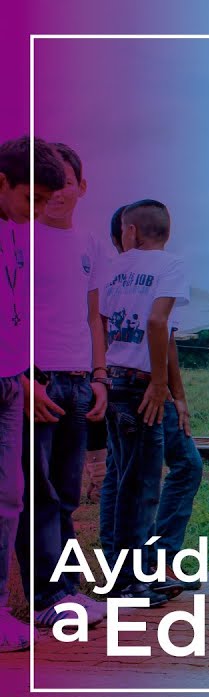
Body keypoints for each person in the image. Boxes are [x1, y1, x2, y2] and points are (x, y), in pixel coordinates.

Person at [97, 203, 204, 593]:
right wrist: (160, 385)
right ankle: (128, 580)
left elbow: (104, 324)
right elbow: (158, 323)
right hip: (143, 385)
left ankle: (130, 569)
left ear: (130, 230)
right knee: (138, 486)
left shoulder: (112, 269)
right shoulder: (170, 266)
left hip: (113, 378)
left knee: (125, 479)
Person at [24, 142, 109, 624]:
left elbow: (93, 317)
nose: (57, 192)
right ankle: (48, 596)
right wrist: (28, 375)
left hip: (79, 382)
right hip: (37, 380)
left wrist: (99, 376)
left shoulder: (92, 245)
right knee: (40, 494)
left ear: (82, 186)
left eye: (65, 182)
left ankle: (65, 592)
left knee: (68, 493)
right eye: (47, 184)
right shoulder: (22, 237)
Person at [0, 136, 67, 649]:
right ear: (2, 182)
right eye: (32, 199)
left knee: (9, 498)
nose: (38, 211)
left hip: (10, 382)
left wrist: (24, 378)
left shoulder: (16, 234)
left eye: (45, 201)